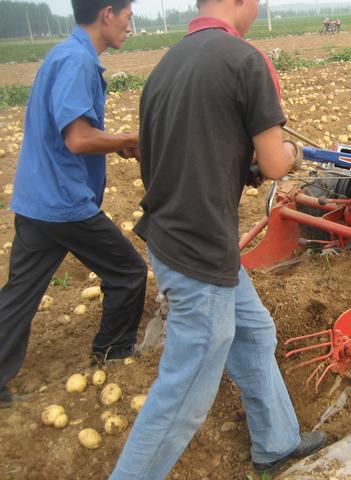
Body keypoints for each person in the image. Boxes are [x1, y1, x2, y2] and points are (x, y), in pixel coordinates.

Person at [109, 0, 327, 477]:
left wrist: (236, 167)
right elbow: (273, 164)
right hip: (200, 249)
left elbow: (173, 152)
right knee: (182, 395)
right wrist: (293, 151)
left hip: (173, 236)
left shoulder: (167, 64)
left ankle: (277, 443)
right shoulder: (245, 59)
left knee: (253, 332)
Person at [0, 0, 147, 409]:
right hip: (64, 202)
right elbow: (78, 139)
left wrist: (114, 146)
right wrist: (128, 139)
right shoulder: (77, 62)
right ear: (107, 13)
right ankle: (113, 352)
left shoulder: (65, 54)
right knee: (129, 272)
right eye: (128, 17)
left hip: (35, 199)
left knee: (21, 293)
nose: (129, 26)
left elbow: (71, 133)